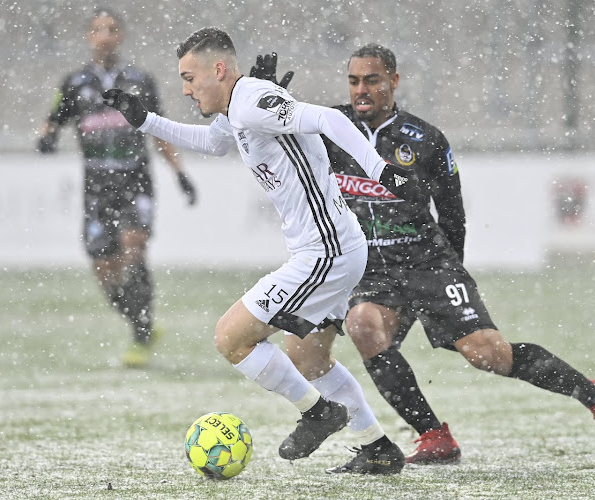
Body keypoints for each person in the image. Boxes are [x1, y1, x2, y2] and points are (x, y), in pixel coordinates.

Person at [256, 43, 595, 463]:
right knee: (364, 325)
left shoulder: (426, 139)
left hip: (427, 263)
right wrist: (267, 100)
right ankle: (434, 436)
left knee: (488, 354)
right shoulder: (329, 127)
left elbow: (453, 215)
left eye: (372, 80)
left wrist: (448, 275)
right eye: (354, 81)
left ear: (393, 82)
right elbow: (280, 142)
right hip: (369, 270)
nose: (361, 90)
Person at [101, 27, 424, 474]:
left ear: (218, 69)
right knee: (309, 358)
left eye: (189, 77)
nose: (185, 89)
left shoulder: (251, 99)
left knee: (231, 338)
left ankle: (318, 413)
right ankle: (379, 447)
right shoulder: (240, 107)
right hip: (338, 248)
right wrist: (146, 121)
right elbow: (213, 143)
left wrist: (380, 171)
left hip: (326, 253)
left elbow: (331, 121)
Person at [35, 8, 198, 368]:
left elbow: (158, 130)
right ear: (89, 37)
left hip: (135, 179)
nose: (105, 36)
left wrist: (180, 174)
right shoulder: (73, 83)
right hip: (97, 187)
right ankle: (142, 323)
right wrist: (45, 138)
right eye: (98, 30)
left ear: (120, 36)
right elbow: (52, 121)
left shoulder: (140, 80)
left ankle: (140, 335)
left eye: (111, 29)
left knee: (133, 245)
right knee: (104, 268)